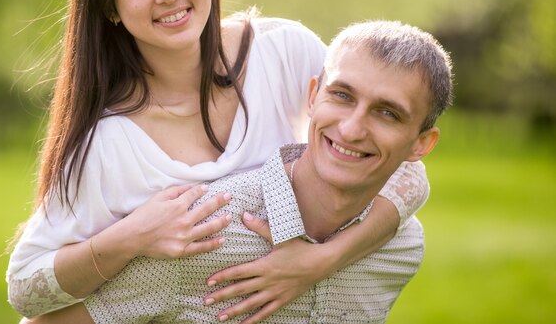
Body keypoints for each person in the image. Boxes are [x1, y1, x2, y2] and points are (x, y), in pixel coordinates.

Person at [6, 0, 431, 322]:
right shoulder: (110, 145)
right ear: (110, 7)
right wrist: (132, 236)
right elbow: (26, 290)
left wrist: (319, 262)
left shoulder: (283, 51)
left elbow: (402, 168)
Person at [25, 19, 453, 324]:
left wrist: (324, 259)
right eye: (341, 96)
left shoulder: (401, 247)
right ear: (312, 96)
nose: (353, 128)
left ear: (421, 144)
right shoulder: (209, 232)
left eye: (387, 113)